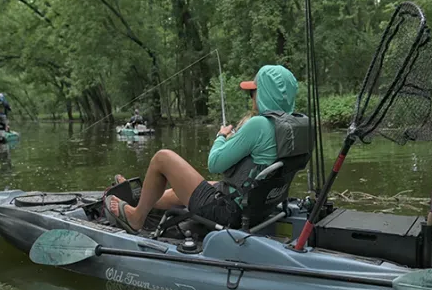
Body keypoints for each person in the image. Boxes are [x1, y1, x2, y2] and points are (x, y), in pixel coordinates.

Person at [105, 65, 299, 232]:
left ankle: (136, 218)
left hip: (229, 213)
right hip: (261, 207)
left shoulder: (259, 124)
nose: (252, 98)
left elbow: (214, 163)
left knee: (162, 158)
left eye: (254, 92)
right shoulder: (293, 127)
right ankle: (140, 200)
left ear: (265, 93)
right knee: (188, 188)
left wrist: (221, 136)